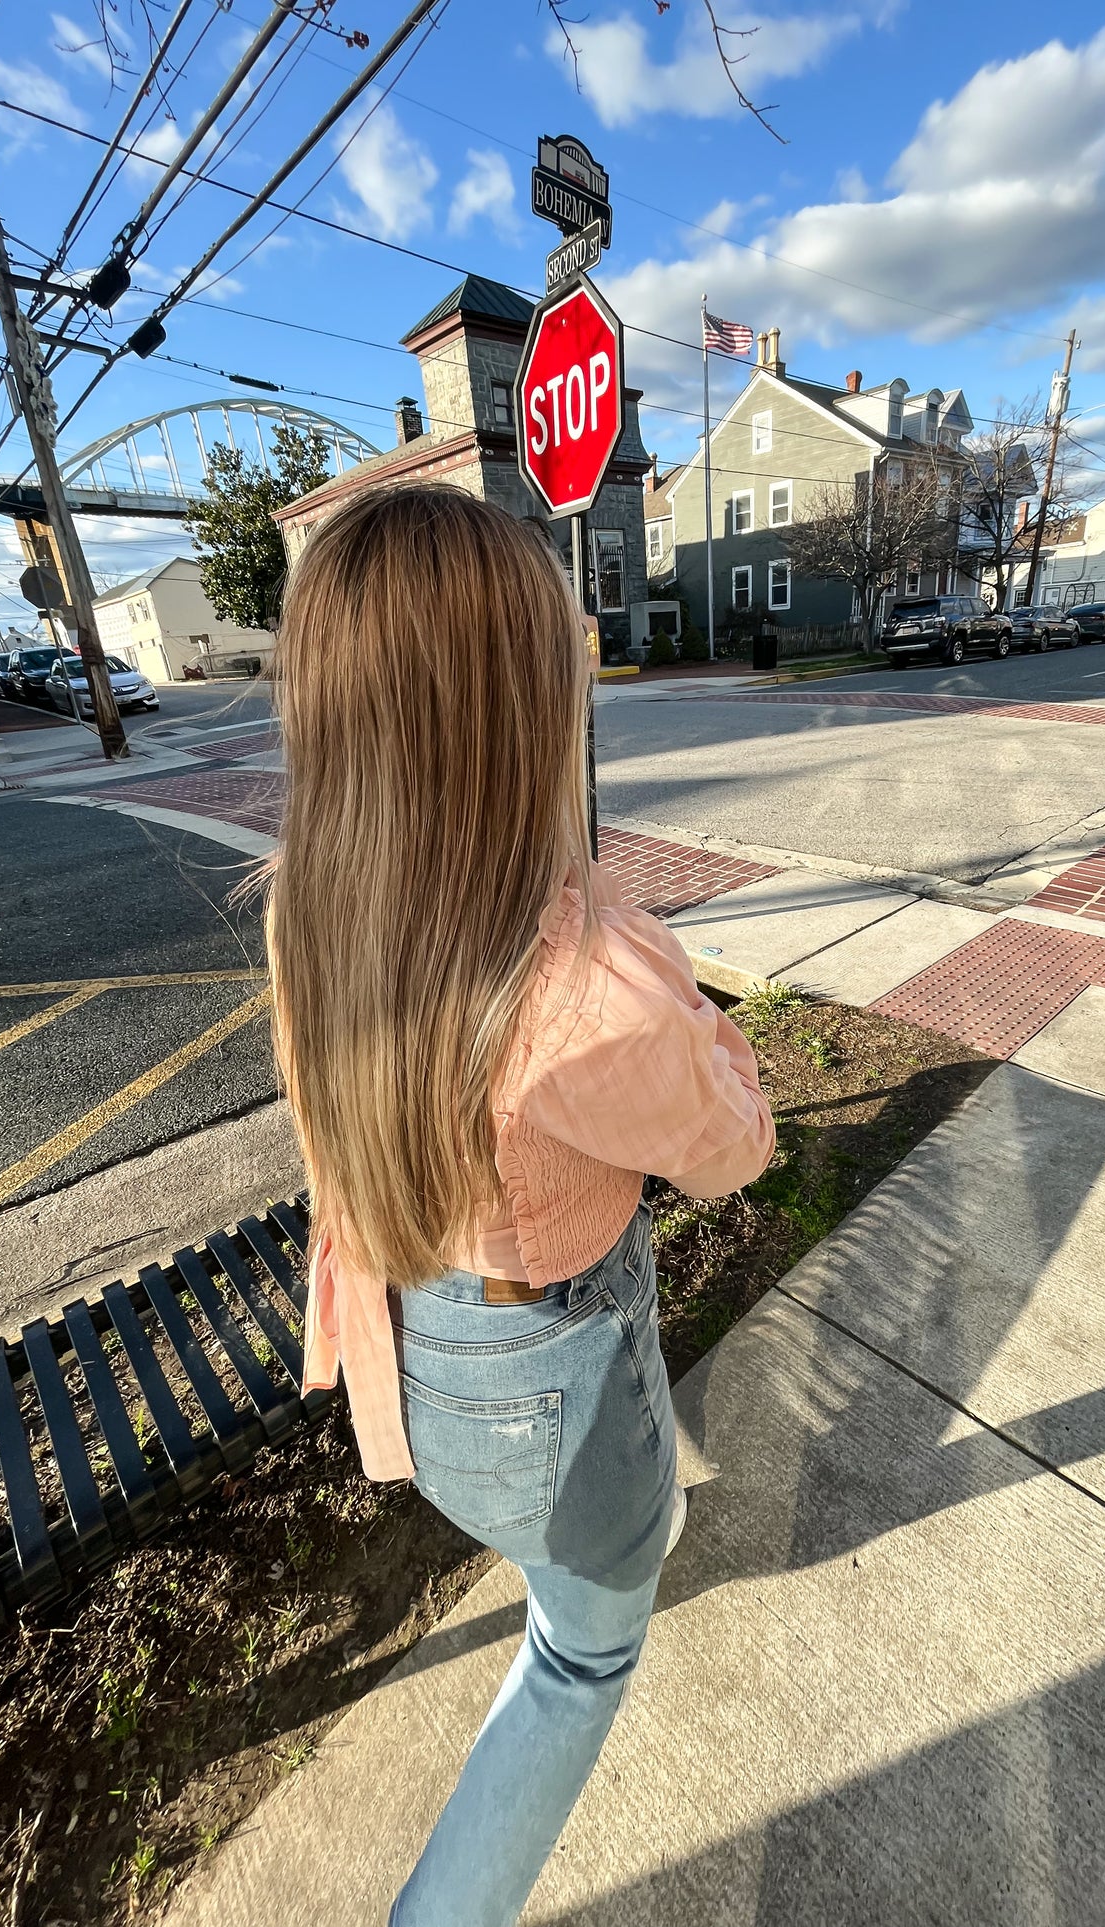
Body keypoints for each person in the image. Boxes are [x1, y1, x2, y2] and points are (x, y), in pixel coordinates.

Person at [264, 485, 775, 1927]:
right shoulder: (588, 979)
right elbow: (731, 1149)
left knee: (572, 1577)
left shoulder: (311, 906)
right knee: (581, 1657)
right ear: (522, 707)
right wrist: (694, 1008)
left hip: (417, 1347)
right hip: (542, 1372)